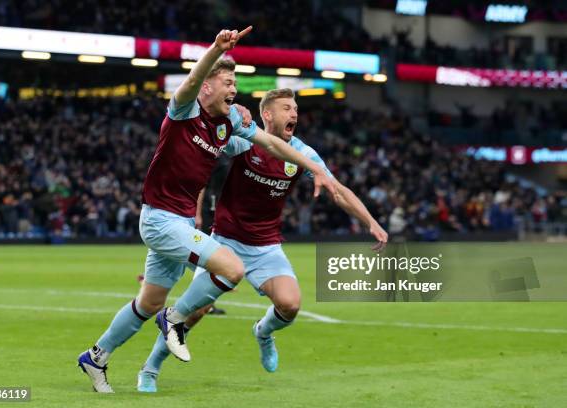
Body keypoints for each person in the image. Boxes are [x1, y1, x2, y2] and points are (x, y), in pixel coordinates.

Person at [77, 28, 337, 393]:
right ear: (207, 88)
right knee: (232, 267)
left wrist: (316, 170)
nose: (234, 89)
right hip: (158, 218)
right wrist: (216, 49)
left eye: (235, 84)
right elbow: (192, 79)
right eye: (227, 82)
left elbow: (273, 145)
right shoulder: (184, 110)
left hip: (180, 220)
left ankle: (96, 356)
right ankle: (175, 319)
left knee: (147, 302)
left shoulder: (228, 123)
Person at [137, 88, 388, 392]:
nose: (293, 113)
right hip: (225, 242)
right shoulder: (243, 141)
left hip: (266, 247)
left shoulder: (302, 154)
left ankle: (263, 332)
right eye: (286, 108)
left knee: (290, 304)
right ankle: (150, 369)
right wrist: (197, 208)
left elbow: (337, 190)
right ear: (267, 115)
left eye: (295, 108)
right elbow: (200, 162)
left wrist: (370, 221)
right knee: (194, 312)